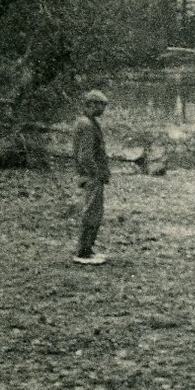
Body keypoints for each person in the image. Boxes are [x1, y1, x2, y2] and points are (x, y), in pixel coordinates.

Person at [72, 89, 112, 266]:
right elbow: (85, 156)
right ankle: (83, 251)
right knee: (91, 213)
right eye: (100, 105)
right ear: (91, 105)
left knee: (94, 212)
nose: (103, 109)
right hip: (91, 176)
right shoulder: (87, 125)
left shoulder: (88, 122)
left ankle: (87, 249)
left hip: (91, 175)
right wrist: (97, 173)